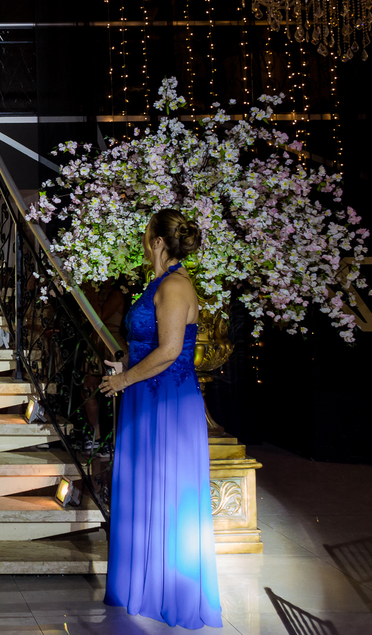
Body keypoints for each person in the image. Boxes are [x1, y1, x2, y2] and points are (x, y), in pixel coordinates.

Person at [98, 210, 222, 629]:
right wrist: (124, 366)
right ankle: (143, 582)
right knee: (145, 485)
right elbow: (149, 343)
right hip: (146, 394)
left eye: (145, 233)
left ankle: (167, 589)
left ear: (156, 241)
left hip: (166, 401)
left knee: (166, 488)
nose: (142, 239)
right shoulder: (158, 283)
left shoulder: (173, 286)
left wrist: (125, 380)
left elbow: (170, 350)